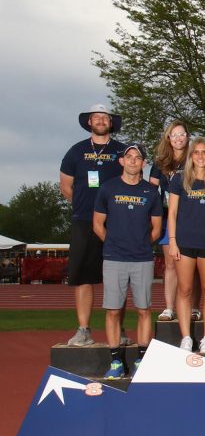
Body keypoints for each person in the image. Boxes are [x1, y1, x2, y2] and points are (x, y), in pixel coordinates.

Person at [60, 104, 127, 347]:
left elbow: (132, 180)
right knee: (83, 277)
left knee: (118, 278)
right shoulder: (76, 151)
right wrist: (86, 206)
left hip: (116, 221)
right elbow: (65, 186)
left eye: (104, 117)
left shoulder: (121, 151)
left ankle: (118, 331)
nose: (100, 120)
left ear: (111, 122)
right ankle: (83, 330)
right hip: (84, 221)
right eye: (96, 117)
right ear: (89, 122)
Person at [93, 145, 162, 377]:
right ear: (122, 161)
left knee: (144, 310)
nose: (133, 161)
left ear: (143, 163)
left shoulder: (151, 192)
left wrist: (141, 244)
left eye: (138, 157)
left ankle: (142, 359)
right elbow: (97, 224)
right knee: (113, 311)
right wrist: (113, 243)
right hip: (114, 258)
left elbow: (156, 229)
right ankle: (115, 362)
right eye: (129, 157)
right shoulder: (108, 188)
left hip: (142, 259)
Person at [167, 138, 205, 353]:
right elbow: (172, 213)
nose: (200, 156)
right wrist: (172, 241)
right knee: (185, 289)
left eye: (204, 152)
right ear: (190, 156)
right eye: (196, 152)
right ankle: (186, 337)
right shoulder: (179, 180)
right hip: (184, 242)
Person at [148, 120, 198, 324]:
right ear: (168, 138)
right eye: (174, 135)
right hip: (168, 217)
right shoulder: (160, 163)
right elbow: (152, 193)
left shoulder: (195, 157)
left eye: (182, 134)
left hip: (193, 217)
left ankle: (194, 308)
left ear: (187, 137)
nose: (178, 138)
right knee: (170, 263)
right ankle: (169, 308)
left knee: (193, 264)